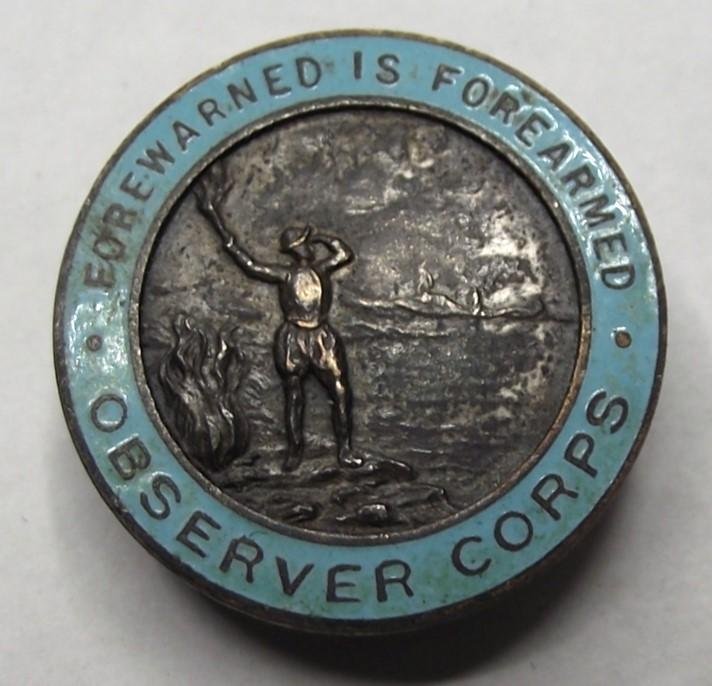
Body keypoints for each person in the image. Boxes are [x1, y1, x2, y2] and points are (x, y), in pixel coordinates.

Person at [197, 192, 359, 471]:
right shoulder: (285, 275)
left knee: (341, 391)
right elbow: (248, 264)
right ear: (297, 248)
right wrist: (216, 221)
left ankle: (345, 450)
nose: (310, 247)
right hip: (293, 338)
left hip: (322, 337)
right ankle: (294, 452)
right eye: (306, 242)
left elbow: (344, 254)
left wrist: (321, 235)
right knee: (294, 395)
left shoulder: (322, 269)